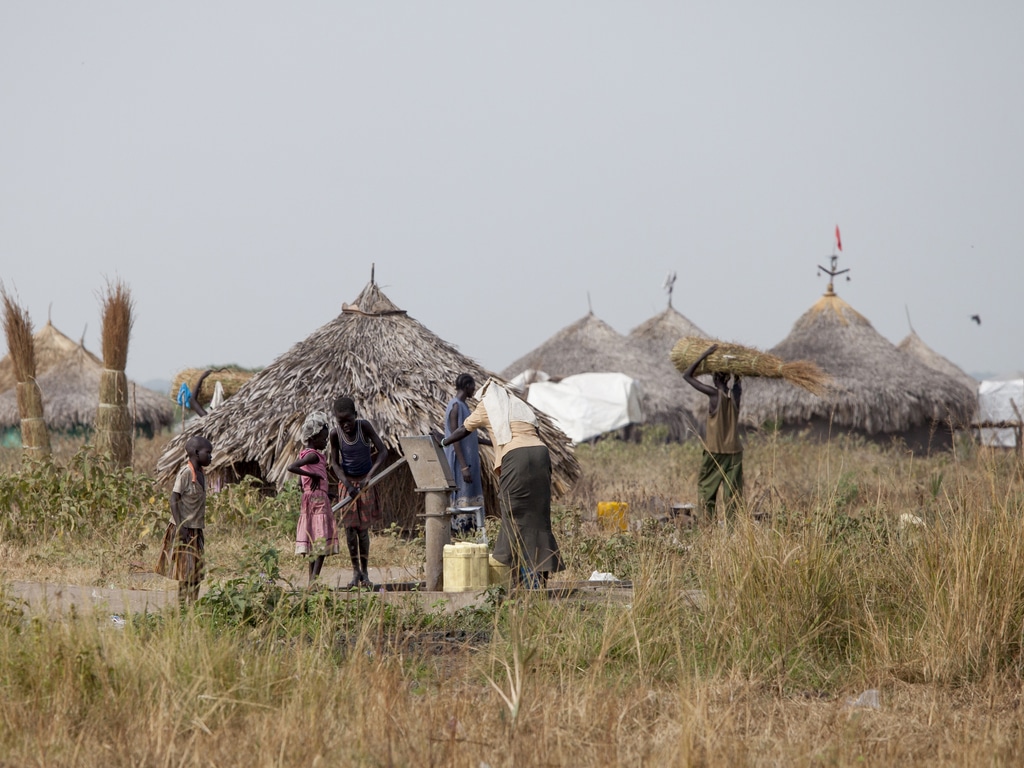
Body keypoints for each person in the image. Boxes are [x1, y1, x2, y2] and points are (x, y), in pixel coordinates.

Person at [439, 378, 562, 589]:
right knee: (539, 517)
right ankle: (539, 581)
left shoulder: (488, 405)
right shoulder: (520, 406)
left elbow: (463, 430)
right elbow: (536, 435)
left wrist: (443, 441)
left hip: (515, 458)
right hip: (541, 455)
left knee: (513, 516)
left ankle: (516, 581)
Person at [329, 396, 387, 589]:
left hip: (365, 485)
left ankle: (365, 573)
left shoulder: (364, 427)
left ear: (356, 415)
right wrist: (346, 483)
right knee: (350, 531)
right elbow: (335, 463)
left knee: (363, 532)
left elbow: (383, 451)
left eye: (349, 420)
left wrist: (369, 477)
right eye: (341, 422)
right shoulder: (335, 434)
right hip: (348, 486)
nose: (346, 425)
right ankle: (355, 572)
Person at [682, 343, 743, 521]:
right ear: (728, 379)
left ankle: (707, 529)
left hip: (715, 452)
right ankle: (734, 531)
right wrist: (737, 371)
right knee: (733, 495)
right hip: (735, 452)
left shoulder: (714, 395)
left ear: (716, 379)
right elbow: (739, 382)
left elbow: (687, 375)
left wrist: (705, 353)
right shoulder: (736, 396)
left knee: (706, 490)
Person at [157, 434, 213, 607]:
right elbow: (174, 499)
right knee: (186, 572)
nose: (211, 456)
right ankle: (183, 606)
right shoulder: (186, 473)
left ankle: (192, 605)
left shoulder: (201, 474)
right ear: (196, 453)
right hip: (184, 528)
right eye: (208, 453)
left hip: (196, 529)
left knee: (197, 572)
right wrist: (180, 526)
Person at [287, 411, 339, 587]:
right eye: (323, 439)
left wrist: (326, 492)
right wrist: (314, 476)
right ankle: (314, 581)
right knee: (321, 541)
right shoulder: (313, 455)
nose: (325, 442)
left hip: (311, 499)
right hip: (317, 502)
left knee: (313, 541)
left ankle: (312, 582)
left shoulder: (307, 454)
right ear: (314, 436)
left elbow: (303, 484)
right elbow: (291, 467)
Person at [444, 373, 492, 536]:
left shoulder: (464, 407)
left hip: (468, 461)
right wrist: (464, 467)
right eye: (473, 386)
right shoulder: (456, 406)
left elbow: (468, 436)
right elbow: (455, 438)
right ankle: (458, 535)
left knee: (470, 496)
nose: (474, 389)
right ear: (466, 386)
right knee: (461, 497)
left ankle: (469, 534)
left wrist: (490, 442)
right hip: (460, 462)